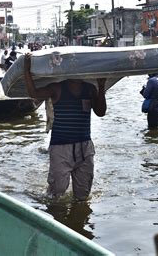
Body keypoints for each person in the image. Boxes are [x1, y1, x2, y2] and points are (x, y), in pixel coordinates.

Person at [24, 53, 107, 201]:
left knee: (83, 196)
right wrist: (27, 70)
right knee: (56, 195)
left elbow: (101, 112)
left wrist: (101, 87)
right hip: (61, 148)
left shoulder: (90, 89)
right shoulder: (57, 88)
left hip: (84, 147)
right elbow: (34, 93)